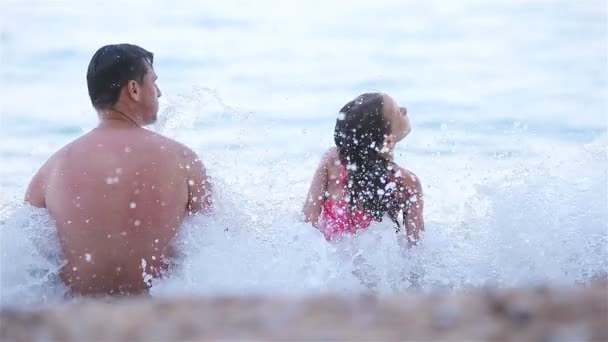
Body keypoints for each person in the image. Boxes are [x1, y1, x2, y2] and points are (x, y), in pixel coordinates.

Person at [24, 44, 212, 296]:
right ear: (134, 89)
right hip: (159, 314)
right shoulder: (182, 160)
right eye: (153, 82)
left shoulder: (50, 171)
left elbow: (27, 256)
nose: (159, 91)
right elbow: (217, 243)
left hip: (77, 318)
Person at [302, 92, 424, 247]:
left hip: (331, 263)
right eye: (398, 112)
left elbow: (307, 223)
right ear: (387, 142)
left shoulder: (332, 161)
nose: (404, 109)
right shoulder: (408, 182)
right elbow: (416, 247)